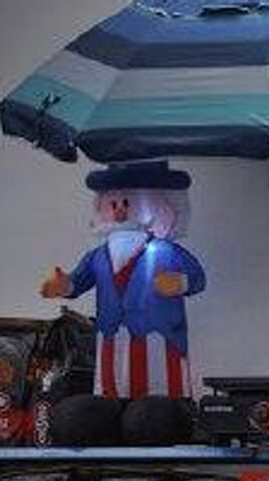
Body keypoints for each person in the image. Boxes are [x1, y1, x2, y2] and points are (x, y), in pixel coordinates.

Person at [39, 160, 205, 445]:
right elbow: (78, 282)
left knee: (153, 414)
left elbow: (198, 278)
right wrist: (64, 286)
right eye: (113, 203)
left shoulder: (167, 251)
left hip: (161, 347)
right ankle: (108, 416)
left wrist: (181, 283)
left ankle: (161, 416)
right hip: (112, 346)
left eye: (128, 203)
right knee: (91, 411)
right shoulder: (98, 256)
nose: (119, 211)